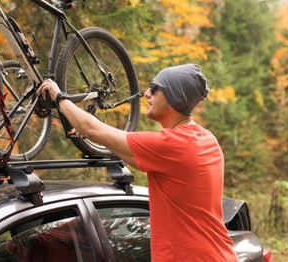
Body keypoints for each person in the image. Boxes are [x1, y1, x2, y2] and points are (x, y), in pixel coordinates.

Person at [37, 64, 238, 261]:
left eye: (154, 88)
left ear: (173, 96)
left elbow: (94, 129)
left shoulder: (173, 145)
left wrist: (58, 96)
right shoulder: (204, 138)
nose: (146, 94)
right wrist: (99, 136)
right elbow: (128, 152)